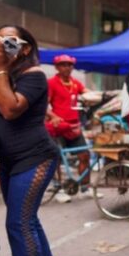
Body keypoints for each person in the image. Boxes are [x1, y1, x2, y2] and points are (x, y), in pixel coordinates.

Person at [0, 25, 61, 256]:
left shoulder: (34, 75)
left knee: (18, 224)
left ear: (25, 48)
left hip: (35, 157)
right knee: (28, 219)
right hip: (9, 161)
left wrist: (0, 70)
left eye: (10, 41)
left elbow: (11, 110)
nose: (1, 44)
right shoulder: (7, 77)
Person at [45, 54, 96, 203]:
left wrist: (96, 97)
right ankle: (59, 188)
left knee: (85, 155)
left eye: (69, 65)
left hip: (74, 126)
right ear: (57, 67)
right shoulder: (51, 83)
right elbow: (44, 105)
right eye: (63, 65)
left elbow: (88, 94)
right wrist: (53, 116)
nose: (67, 68)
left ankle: (85, 187)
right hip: (58, 127)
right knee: (56, 158)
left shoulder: (75, 83)